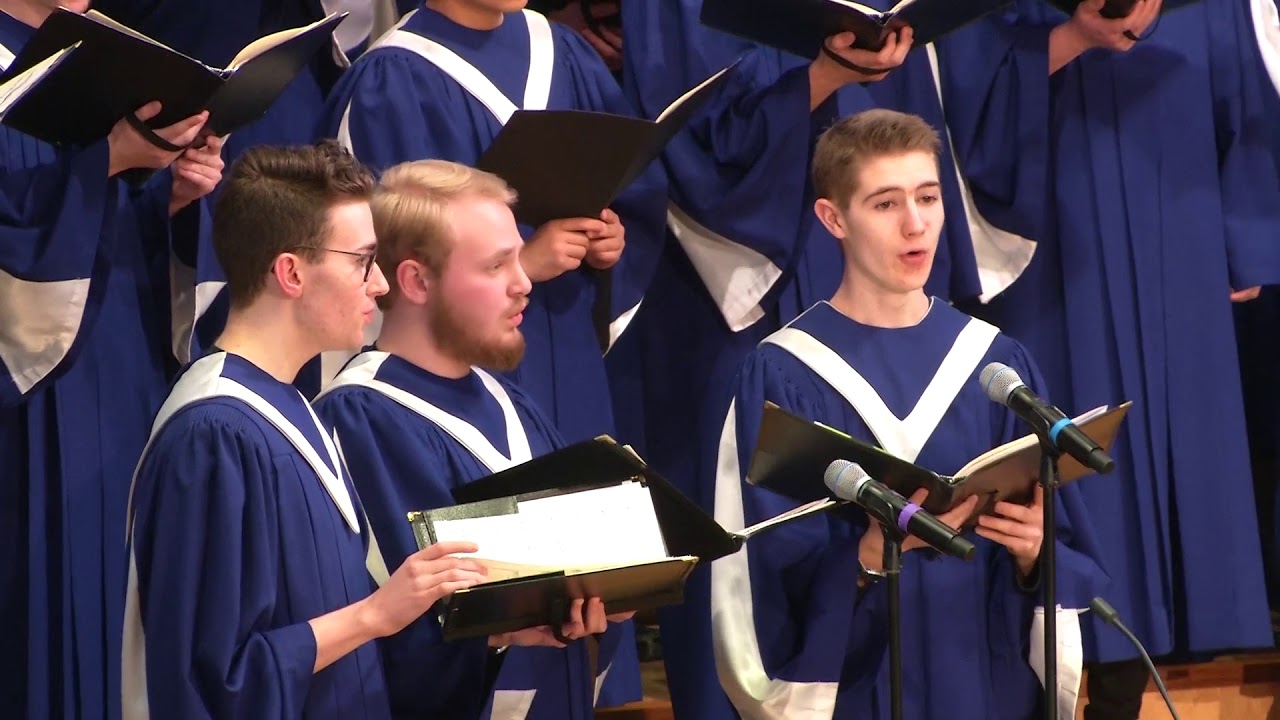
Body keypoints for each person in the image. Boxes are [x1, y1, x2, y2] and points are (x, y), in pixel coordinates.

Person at [315, 1, 667, 703]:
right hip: (444, 369)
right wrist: (528, 262)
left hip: (548, 356)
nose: (512, 282)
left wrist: (607, 242)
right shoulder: (393, 78)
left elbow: (633, 188)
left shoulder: (564, 53)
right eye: (494, 264)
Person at [710, 109, 1107, 719]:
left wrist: (1034, 556)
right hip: (859, 692)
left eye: (928, 197)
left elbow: (1064, 550)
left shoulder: (996, 364)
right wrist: (864, 561)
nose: (916, 225)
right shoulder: (784, 374)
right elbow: (758, 577)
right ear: (833, 218)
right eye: (886, 204)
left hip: (981, 688)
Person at [960, 0, 1280, 715]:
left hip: (1179, 217)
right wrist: (1076, 34)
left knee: (1175, 446)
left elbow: (1249, 80)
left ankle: (1145, 664)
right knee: (1079, 454)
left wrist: (1242, 230)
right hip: (1052, 232)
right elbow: (965, 90)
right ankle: (1084, 677)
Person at [122, 141, 498, 717]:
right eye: (361, 262)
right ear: (291, 272)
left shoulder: (295, 409)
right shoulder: (215, 433)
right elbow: (213, 678)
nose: (379, 287)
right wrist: (376, 613)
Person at [314, 158, 635, 719]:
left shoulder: (510, 401)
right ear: (415, 280)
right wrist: (505, 627)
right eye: (496, 266)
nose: (524, 281)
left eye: (519, 255)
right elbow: (394, 630)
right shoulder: (361, 417)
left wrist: (617, 585)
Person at [0, 2, 226, 716]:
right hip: (37, 387)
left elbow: (122, 221)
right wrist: (110, 159)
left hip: (124, 350)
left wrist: (172, 189)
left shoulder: (118, 52)